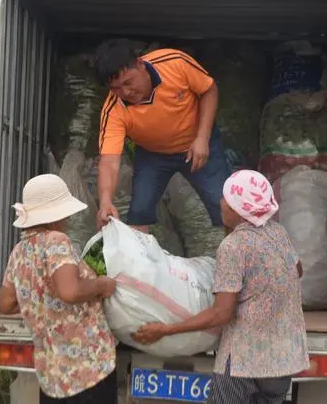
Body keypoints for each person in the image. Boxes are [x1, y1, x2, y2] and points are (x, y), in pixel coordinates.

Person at [131, 170, 310, 404]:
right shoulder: (278, 233)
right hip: (283, 360)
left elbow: (221, 313)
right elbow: (297, 271)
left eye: (226, 199)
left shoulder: (233, 246)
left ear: (238, 209)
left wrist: (165, 330)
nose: (221, 203)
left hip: (244, 362)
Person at [0, 174, 118, 403]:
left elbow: (6, 303)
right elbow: (70, 292)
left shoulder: (19, 252)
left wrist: (39, 301)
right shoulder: (56, 240)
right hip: (86, 371)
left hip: (52, 377)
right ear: (56, 215)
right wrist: (102, 284)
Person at [93, 38, 232, 233]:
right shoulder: (113, 110)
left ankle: (237, 257)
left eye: (128, 82)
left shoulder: (174, 62)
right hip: (153, 155)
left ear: (140, 65)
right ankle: (140, 261)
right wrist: (105, 202)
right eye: (116, 88)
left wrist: (202, 138)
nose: (125, 92)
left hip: (198, 143)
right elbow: (109, 161)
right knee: (138, 213)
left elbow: (209, 89)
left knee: (228, 207)